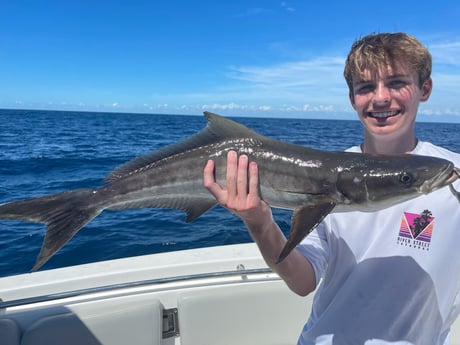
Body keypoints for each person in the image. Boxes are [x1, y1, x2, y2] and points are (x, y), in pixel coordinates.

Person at [203, 32, 460, 344]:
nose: (380, 97)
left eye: (396, 83)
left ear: (425, 89)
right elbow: (302, 281)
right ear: (353, 98)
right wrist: (259, 223)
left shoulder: (449, 174)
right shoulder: (327, 181)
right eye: (366, 87)